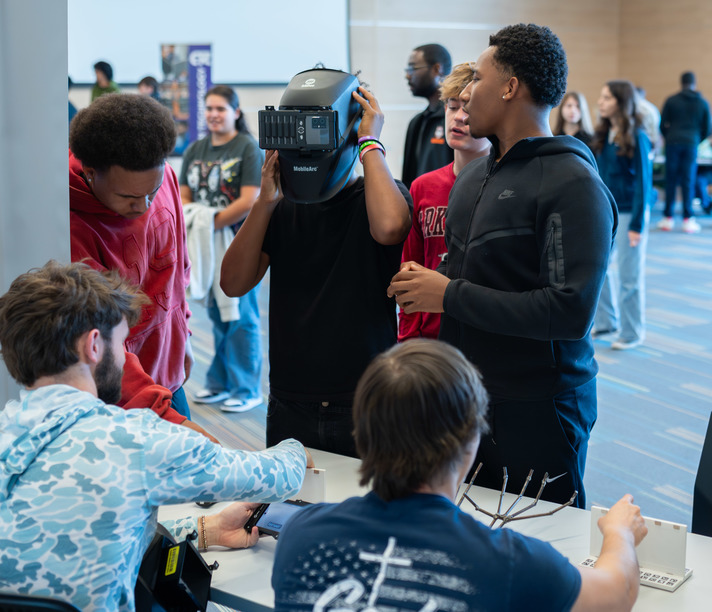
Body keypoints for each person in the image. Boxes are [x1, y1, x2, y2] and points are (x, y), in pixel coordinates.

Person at [0, 261, 309, 612]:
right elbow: (277, 476)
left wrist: (206, 530)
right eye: (123, 344)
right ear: (94, 346)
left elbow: (70, 542)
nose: (126, 361)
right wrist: (295, 447)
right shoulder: (130, 438)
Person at [387, 24, 617, 508]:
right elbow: (477, 281)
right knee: (470, 539)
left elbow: (569, 312)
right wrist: (433, 285)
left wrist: (446, 294)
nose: (466, 93)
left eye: (480, 79)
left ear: (511, 87)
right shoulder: (472, 180)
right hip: (469, 398)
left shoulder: (573, 182)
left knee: (545, 544)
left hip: (540, 407)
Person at [272, 339, 648, 611]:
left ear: (362, 434)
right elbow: (616, 596)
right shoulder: (512, 564)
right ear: (471, 439)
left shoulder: (300, 536)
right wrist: (619, 534)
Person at [220, 69, 412, 458]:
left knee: (367, 512)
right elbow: (233, 284)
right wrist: (264, 202)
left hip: (366, 396)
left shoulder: (377, 200)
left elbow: (391, 228)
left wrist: (370, 142)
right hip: (291, 399)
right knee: (289, 514)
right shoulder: (278, 209)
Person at [69, 93, 207, 435]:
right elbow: (98, 335)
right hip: (120, 394)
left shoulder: (164, 177)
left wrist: (183, 334)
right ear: (90, 174)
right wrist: (171, 420)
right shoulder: (71, 225)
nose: (144, 205)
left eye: (152, 191)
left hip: (169, 369)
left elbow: (178, 269)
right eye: (129, 198)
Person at [180, 85, 265, 412]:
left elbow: (249, 199)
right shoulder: (196, 148)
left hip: (236, 241)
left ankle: (246, 388)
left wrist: (208, 222)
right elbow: (184, 194)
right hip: (204, 242)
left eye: (221, 109)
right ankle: (220, 382)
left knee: (241, 316)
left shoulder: (246, 148)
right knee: (217, 314)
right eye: (210, 109)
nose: (214, 114)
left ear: (236, 112)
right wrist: (199, 222)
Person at [399, 62, 491, 341]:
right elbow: (409, 269)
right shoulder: (423, 186)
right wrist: (409, 338)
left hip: (482, 334)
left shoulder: (507, 187)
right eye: (451, 107)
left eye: (467, 108)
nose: (458, 118)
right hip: (429, 337)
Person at [592, 80, 652, 351]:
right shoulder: (604, 133)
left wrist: (638, 224)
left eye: (606, 98)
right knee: (599, 269)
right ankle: (607, 321)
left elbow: (644, 181)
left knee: (629, 277)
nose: (600, 102)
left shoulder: (637, 134)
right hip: (606, 213)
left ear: (620, 101)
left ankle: (632, 332)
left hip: (630, 214)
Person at [657, 71, 711, 233]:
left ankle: (668, 218)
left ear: (681, 83)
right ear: (694, 83)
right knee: (689, 179)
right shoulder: (702, 102)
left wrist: (670, 137)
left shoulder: (671, 100)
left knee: (671, 180)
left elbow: (661, 124)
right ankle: (688, 219)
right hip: (691, 144)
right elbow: (708, 128)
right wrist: (695, 140)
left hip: (673, 143)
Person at [401, 43, 454, 188]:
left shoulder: (456, 120)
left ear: (437, 69)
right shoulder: (417, 122)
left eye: (413, 68)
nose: (407, 75)